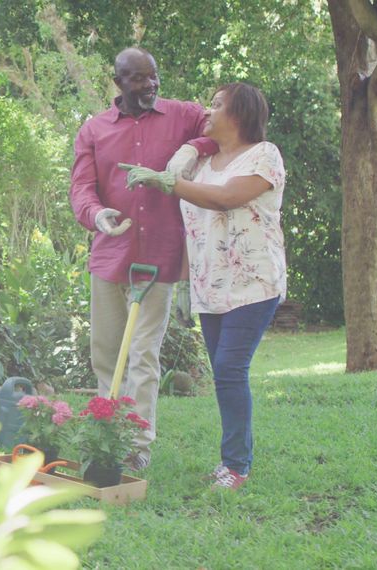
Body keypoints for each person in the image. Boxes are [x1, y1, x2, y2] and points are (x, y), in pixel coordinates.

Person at [121, 82, 286, 490]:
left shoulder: (264, 156)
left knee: (230, 369)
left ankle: (235, 467)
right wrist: (192, 149)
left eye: (216, 105)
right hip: (210, 286)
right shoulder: (198, 166)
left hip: (253, 282)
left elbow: (227, 198)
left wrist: (169, 183)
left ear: (240, 115)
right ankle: (232, 462)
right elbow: (181, 185)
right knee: (223, 372)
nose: (207, 112)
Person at [69, 47, 213, 472]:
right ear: (118, 82)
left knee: (144, 354)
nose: (150, 85)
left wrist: (193, 148)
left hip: (159, 257)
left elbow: (220, 125)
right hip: (111, 255)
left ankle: (137, 447)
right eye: (138, 79)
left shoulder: (182, 114)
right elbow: (80, 189)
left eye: (154, 77)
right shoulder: (94, 130)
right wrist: (97, 215)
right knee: (107, 353)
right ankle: (107, 437)